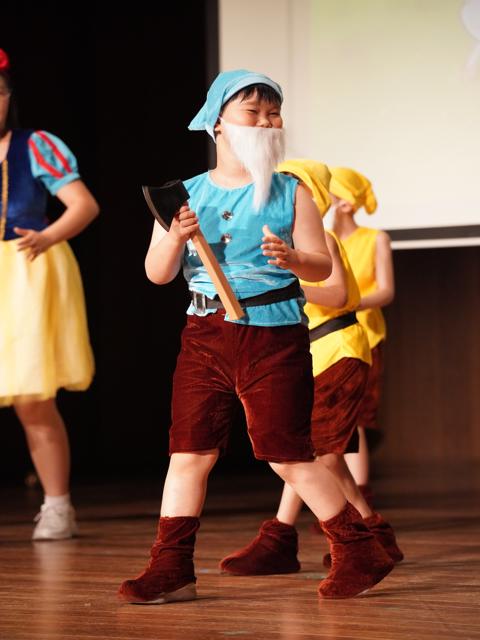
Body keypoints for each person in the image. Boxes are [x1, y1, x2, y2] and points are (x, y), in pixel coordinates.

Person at [118, 70, 394, 605]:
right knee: (189, 451)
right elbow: (156, 273)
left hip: (273, 335)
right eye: (254, 112)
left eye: (274, 113)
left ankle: (358, 549)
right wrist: (174, 237)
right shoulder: (183, 196)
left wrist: (293, 259)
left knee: (286, 453)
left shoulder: (291, 192)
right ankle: (171, 566)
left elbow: (321, 267)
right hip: (204, 335)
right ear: (217, 123)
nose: (267, 123)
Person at [219, 159, 403, 576]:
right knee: (309, 452)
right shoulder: (284, 244)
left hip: (339, 349)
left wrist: (288, 284)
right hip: (314, 352)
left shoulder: (321, 241)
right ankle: (296, 538)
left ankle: (357, 538)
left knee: (318, 452)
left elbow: (338, 295)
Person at [0, 49, 99, 540]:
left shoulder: (34, 146)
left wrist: (47, 236)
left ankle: (57, 504)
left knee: (31, 395)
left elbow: (83, 205)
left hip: (24, 269)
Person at [329, 168, 395, 507]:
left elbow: (385, 291)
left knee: (354, 418)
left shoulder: (374, 238)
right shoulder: (321, 238)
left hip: (363, 336)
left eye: (331, 193)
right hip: (324, 339)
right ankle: (336, 502)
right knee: (327, 421)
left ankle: (359, 499)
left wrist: (347, 301)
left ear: (346, 202)